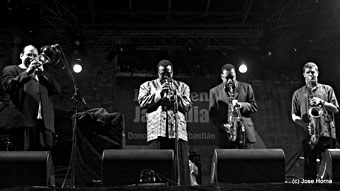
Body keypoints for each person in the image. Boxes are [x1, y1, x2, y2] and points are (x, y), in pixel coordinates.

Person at [138, 59, 192, 185]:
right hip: (157, 132)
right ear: (158, 73)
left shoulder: (183, 87)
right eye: (163, 73)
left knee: (180, 169)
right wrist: (159, 93)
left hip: (178, 134)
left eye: (168, 73)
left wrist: (176, 96)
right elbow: (142, 103)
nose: (166, 76)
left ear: (172, 72)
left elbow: (188, 106)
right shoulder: (147, 86)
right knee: (157, 168)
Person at [1, 45, 61, 151]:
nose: (32, 57)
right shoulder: (12, 69)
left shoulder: (41, 74)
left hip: (44, 125)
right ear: (21, 55)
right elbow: (8, 86)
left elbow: (57, 90)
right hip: (22, 123)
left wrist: (42, 73)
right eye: (29, 54)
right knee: (22, 160)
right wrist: (28, 71)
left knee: (43, 160)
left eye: (35, 55)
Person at [291, 61, 339, 180]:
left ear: (317, 73)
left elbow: (336, 109)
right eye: (308, 72)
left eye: (313, 72)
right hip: (309, 135)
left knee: (329, 170)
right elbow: (294, 115)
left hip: (326, 135)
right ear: (304, 75)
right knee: (309, 170)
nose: (311, 75)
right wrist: (304, 124)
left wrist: (321, 102)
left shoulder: (327, 89)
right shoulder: (298, 93)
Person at [209, 63, 258, 149]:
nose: (230, 81)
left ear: (235, 75)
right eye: (227, 78)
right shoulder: (214, 91)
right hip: (226, 136)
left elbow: (254, 107)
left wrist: (241, 105)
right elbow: (213, 114)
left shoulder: (246, 87)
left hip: (246, 134)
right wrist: (222, 125)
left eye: (232, 77)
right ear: (221, 77)